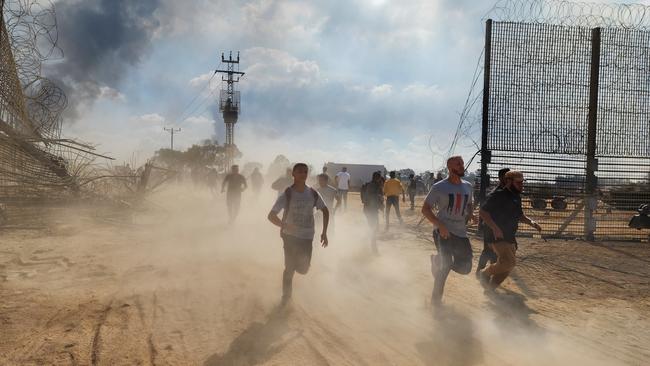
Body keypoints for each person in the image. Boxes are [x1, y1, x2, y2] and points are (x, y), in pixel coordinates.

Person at [268, 163, 329, 305]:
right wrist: (285, 225)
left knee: (303, 269)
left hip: (307, 237)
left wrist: (324, 233)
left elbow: (325, 211)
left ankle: (293, 265)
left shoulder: (313, 193)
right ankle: (286, 296)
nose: (303, 174)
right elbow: (271, 216)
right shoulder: (287, 194)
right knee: (289, 268)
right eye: (300, 172)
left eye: (305, 172)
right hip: (290, 237)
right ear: (293, 175)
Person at [421, 156, 475, 306]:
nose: (462, 166)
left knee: (466, 268)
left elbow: (469, 204)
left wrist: (471, 214)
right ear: (450, 168)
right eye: (459, 164)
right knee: (446, 264)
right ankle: (435, 302)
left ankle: (436, 260)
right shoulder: (439, 187)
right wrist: (440, 225)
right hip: (442, 231)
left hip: (461, 232)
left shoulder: (468, 186)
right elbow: (425, 209)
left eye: (462, 163)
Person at [479, 170, 541, 290]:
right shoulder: (498, 195)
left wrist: (532, 223)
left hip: (509, 235)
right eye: (518, 183)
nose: (521, 185)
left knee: (508, 266)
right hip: (496, 235)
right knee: (508, 263)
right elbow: (483, 212)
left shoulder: (516, 197)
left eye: (522, 182)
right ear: (508, 181)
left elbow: (519, 215)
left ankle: (491, 288)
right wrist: (495, 228)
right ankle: (484, 274)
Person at [476, 167, 510, 275]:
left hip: (501, 227)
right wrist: (481, 224)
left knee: (496, 252)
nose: (509, 179)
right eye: (507, 177)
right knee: (488, 250)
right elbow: (483, 210)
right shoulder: (495, 193)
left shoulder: (508, 193)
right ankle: (480, 272)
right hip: (490, 227)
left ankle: (487, 273)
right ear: (500, 178)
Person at [361, 171, 384, 254]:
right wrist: (381, 205)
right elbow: (378, 198)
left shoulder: (367, 185)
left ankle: (367, 244)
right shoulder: (377, 186)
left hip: (367, 209)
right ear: (377, 178)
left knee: (373, 228)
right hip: (372, 210)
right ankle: (374, 249)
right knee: (374, 229)